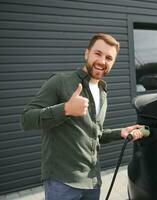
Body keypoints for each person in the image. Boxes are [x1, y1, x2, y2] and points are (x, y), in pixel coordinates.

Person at [21, 33, 143, 200]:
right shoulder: (60, 82)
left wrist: (120, 132)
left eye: (109, 58)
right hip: (62, 183)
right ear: (87, 53)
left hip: (92, 182)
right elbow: (27, 119)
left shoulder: (102, 92)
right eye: (98, 54)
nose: (102, 61)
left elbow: (94, 134)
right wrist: (66, 109)